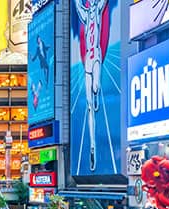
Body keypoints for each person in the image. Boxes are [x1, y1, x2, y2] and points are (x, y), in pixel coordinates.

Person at [73, 0, 108, 171]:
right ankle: (92, 147)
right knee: (88, 105)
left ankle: (97, 95)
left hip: (96, 57)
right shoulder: (86, 15)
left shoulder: (97, 11)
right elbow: (78, 7)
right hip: (88, 59)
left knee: (96, 88)